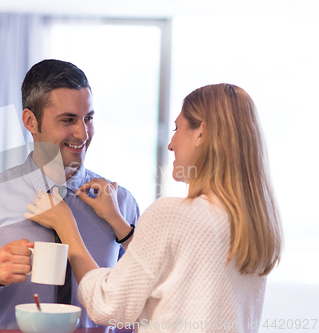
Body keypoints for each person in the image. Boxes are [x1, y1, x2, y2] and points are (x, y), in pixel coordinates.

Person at [26, 83, 283, 332]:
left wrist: (66, 227)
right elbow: (174, 265)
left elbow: (107, 305)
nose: (171, 144)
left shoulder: (172, 214)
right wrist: (120, 224)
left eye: (177, 128)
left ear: (201, 132)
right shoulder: (252, 225)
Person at [0, 59, 139, 329]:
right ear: (30, 121)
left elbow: (139, 304)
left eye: (88, 118)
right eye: (68, 120)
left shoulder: (121, 204)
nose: (83, 133)